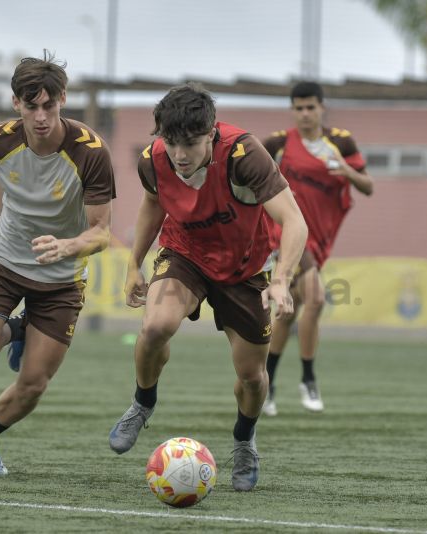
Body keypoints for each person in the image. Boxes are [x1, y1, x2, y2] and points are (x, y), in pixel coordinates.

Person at [107, 83, 307, 491]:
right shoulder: (155, 160)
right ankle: (143, 403)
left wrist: (282, 280)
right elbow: (152, 204)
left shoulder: (244, 155)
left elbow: (295, 221)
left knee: (252, 377)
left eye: (191, 144)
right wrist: (133, 264)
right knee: (155, 327)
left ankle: (245, 441)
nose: (180, 155)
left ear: (211, 132)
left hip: (245, 270)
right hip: (185, 256)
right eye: (172, 142)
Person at [0, 51, 115, 475]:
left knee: (33, 383)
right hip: (4, 262)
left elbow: (102, 233)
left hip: (61, 279)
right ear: (15, 103)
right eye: (31, 106)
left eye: (49, 105)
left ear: (63, 99)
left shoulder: (90, 152)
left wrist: (68, 246)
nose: (40, 117)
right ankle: (20, 327)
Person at [261, 81, 373, 416]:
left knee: (288, 312)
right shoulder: (278, 144)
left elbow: (367, 186)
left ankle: (266, 385)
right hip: (286, 234)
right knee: (317, 296)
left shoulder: (339, 142)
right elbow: (251, 182)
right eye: (299, 108)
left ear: (322, 108)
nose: (305, 113)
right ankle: (309, 379)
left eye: (311, 107)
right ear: (292, 110)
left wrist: (347, 170)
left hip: (320, 238)